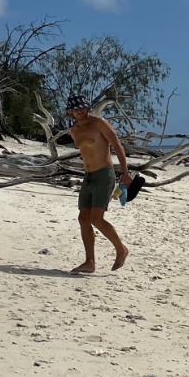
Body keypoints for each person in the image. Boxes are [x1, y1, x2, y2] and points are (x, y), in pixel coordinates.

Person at [65, 94, 132, 273]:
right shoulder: (74, 130)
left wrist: (124, 172)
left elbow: (117, 145)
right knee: (83, 218)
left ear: (87, 107)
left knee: (96, 218)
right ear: (71, 112)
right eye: (75, 109)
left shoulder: (99, 123)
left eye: (82, 108)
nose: (79, 111)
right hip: (88, 176)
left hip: (104, 174)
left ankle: (121, 249)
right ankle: (90, 262)